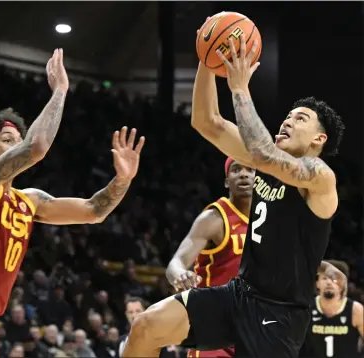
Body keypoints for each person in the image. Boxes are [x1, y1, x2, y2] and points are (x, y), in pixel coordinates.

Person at [122, 17, 346, 358]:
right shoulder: (264, 158)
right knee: (145, 327)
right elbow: (206, 122)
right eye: (288, 115)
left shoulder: (319, 176)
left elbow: (264, 154)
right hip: (238, 294)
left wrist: (240, 89)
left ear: (319, 138)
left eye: (300, 118)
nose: (287, 120)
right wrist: (206, 58)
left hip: (280, 315)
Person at [0, 49, 145, 358]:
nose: (15, 145)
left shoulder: (29, 200)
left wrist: (122, 181)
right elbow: (36, 148)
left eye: (17, 140)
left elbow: (94, 211)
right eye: (7, 140)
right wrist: (60, 91)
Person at [166, 158, 254, 357]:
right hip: (214, 329)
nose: (243, 174)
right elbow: (176, 263)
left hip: (252, 331)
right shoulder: (214, 218)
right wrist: (180, 275)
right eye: (236, 169)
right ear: (226, 181)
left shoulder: (269, 220)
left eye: (250, 169)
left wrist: (322, 267)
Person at [299, 261, 363, 358]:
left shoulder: (356, 310)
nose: (329, 282)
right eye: (324, 278)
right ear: (317, 283)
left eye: (334, 278)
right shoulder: (306, 309)